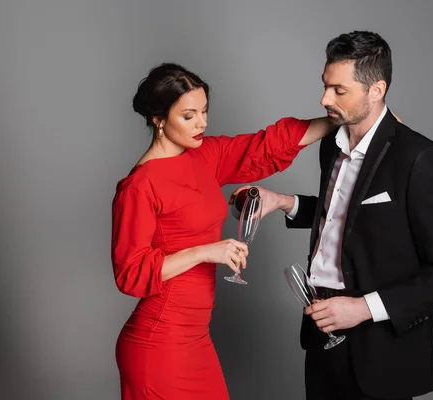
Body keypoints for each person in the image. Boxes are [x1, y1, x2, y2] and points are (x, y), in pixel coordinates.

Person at [232, 31, 433, 400]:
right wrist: (282, 201)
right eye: (325, 86)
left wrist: (362, 308)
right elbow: (346, 217)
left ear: (376, 90)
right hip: (320, 329)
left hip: (381, 345)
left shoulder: (419, 158)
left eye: (339, 91)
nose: (324, 99)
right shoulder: (331, 143)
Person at [111, 62, 335, 399]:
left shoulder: (204, 156)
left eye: (204, 111)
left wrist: (344, 119)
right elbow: (130, 274)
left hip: (196, 338)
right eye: (189, 115)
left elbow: (267, 145)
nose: (202, 122)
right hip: (159, 344)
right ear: (158, 119)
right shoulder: (139, 186)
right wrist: (205, 252)